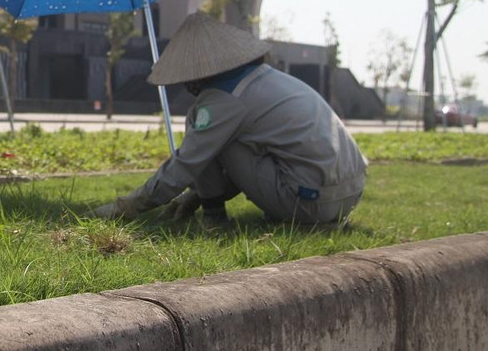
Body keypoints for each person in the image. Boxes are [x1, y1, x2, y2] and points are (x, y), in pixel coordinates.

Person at [92, 12, 367, 225]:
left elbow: (186, 163)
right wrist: (195, 194)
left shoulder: (225, 100)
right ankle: (212, 204)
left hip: (313, 202)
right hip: (349, 194)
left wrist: (126, 207)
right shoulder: (266, 80)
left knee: (207, 133)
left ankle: (214, 218)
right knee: (222, 135)